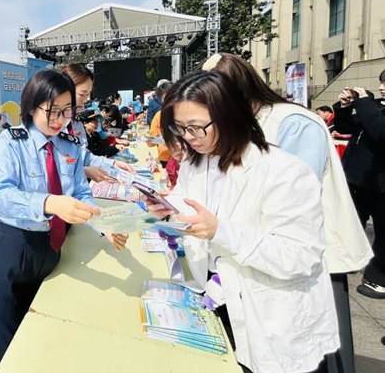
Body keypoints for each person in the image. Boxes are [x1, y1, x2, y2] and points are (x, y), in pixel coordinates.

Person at [145, 70, 339, 373]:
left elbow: (300, 256)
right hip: (215, 295)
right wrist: (169, 209)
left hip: (268, 314)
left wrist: (221, 231)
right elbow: (188, 201)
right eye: (180, 128)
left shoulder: (284, 171)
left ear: (229, 116)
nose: (188, 137)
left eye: (196, 127)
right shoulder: (197, 161)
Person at [204, 53, 372, 373]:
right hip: (262, 253)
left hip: (302, 253)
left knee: (311, 347)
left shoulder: (293, 122)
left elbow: (296, 196)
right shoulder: (247, 123)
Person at [0, 69, 128, 373]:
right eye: (52, 111)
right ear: (32, 106)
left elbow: (81, 191)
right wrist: (49, 203)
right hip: (9, 248)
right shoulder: (12, 142)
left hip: (49, 249)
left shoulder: (69, 145)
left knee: (38, 338)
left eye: (67, 110)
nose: (60, 119)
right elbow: (2, 196)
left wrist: (102, 223)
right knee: (3, 348)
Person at [333, 70, 385, 300]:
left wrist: (364, 102)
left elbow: (380, 132)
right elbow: (345, 128)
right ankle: (349, 260)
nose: (381, 88)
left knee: (383, 235)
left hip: (381, 185)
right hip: (358, 179)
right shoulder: (375, 107)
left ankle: (379, 279)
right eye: (381, 83)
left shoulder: (372, 108)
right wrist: (345, 107)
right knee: (351, 224)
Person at [60, 64, 136, 182]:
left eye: (88, 94)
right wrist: (83, 171)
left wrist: (112, 164)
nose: (86, 100)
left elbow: (85, 156)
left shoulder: (76, 124)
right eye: (82, 94)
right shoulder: (47, 128)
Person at [148, 80, 174, 166]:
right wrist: (150, 141)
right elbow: (152, 138)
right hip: (165, 157)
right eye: (164, 99)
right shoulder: (159, 116)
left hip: (184, 158)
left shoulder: (185, 114)